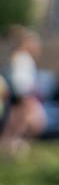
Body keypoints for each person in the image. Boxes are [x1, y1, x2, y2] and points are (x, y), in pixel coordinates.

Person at [1, 27, 47, 157]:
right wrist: (26, 94)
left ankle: (11, 144)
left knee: (16, 123)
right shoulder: (22, 58)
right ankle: (13, 143)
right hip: (23, 95)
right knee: (30, 122)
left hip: (21, 96)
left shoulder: (19, 57)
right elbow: (20, 80)